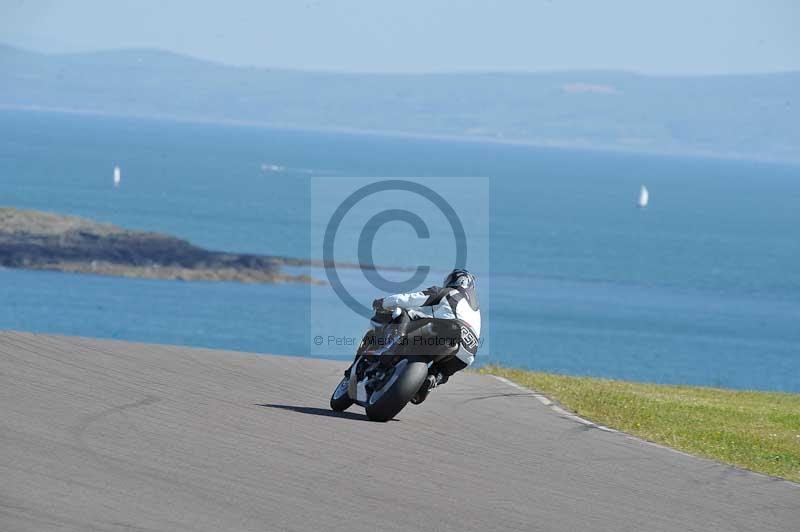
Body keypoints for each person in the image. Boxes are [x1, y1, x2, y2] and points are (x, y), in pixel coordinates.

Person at [371, 268, 481, 403]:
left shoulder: (446, 292)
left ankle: (390, 348)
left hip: (450, 330)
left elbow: (409, 299)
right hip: (469, 352)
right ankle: (433, 378)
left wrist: (382, 302)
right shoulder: (476, 310)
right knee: (441, 371)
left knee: (405, 312)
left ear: (452, 280)